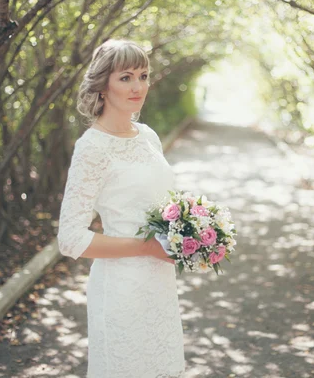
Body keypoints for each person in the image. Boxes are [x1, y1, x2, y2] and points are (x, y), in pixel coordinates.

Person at [56, 39, 186, 377]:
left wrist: (192, 236)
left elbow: (160, 204)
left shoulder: (148, 137)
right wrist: (145, 247)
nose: (138, 86)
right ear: (102, 85)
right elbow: (69, 238)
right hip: (121, 286)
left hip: (159, 282)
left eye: (143, 75)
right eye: (125, 77)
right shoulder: (92, 149)